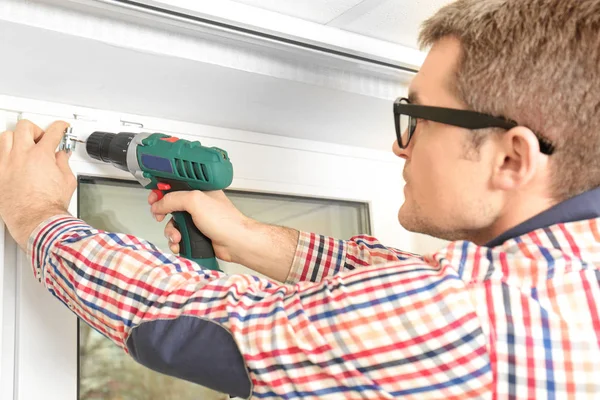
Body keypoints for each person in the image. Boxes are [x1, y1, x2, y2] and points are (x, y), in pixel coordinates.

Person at [1, 0, 600, 398]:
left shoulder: (467, 321)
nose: (400, 148)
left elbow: (182, 318)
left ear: (512, 158)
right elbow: (410, 277)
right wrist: (246, 235)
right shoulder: (567, 278)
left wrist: (37, 213)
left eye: (416, 118)